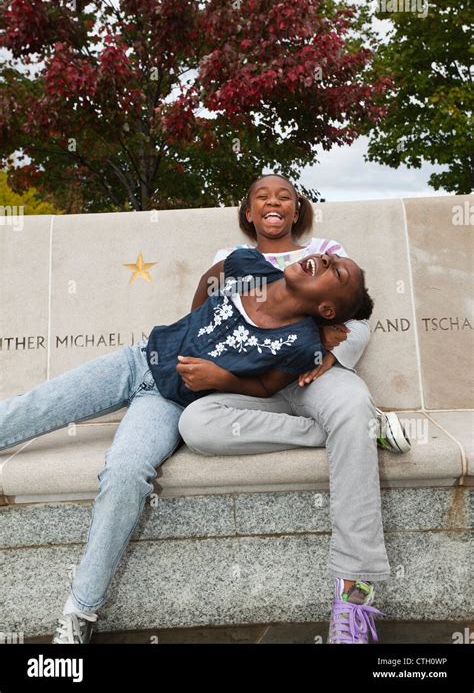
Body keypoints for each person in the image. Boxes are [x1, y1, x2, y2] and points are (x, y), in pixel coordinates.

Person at [0, 242, 370, 644]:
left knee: (124, 474)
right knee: (33, 406)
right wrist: (194, 329)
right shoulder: (253, 266)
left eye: (337, 271)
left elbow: (265, 387)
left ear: (327, 310)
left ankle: (80, 610)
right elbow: (210, 278)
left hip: (167, 403)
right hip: (138, 360)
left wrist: (219, 378)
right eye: (331, 258)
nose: (327, 259)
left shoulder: (300, 343)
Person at [178, 173, 410, 645]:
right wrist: (224, 377)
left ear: (297, 210)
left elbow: (356, 316)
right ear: (248, 213)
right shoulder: (228, 261)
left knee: (346, 406)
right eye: (261, 196)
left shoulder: (325, 250)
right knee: (196, 424)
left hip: (312, 377)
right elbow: (205, 325)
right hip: (253, 385)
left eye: (284, 195)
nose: (273, 201)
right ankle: (358, 429)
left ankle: (354, 596)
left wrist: (329, 356)